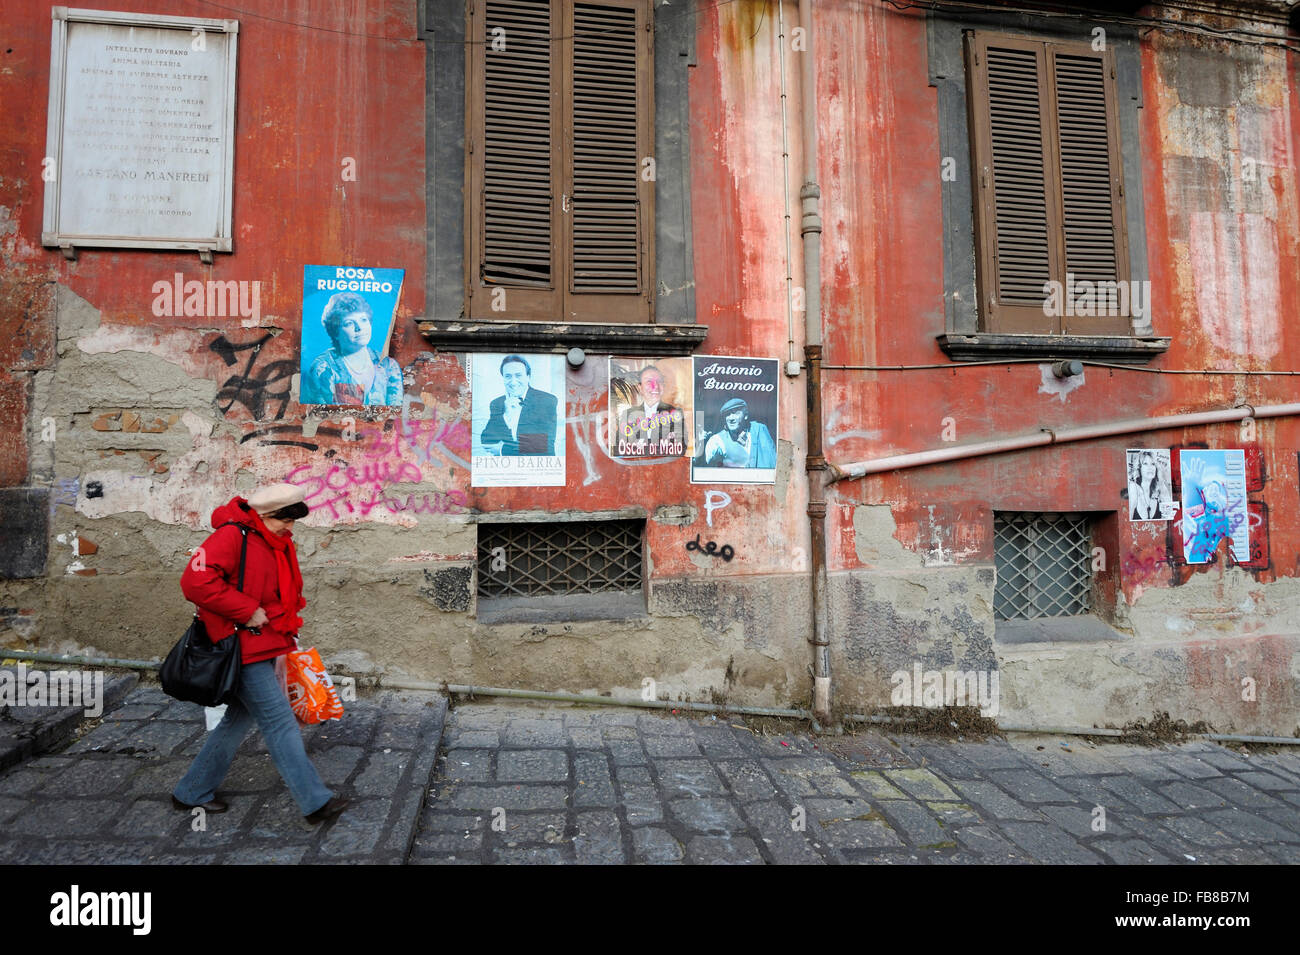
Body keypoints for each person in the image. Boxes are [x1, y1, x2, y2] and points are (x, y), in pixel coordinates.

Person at [173, 483, 349, 825]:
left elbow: (282, 593)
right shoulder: (231, 536)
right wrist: (245, 609)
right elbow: (194, 582)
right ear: (265, 515)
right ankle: (316, 803)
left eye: (293, 520)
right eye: (285, 519)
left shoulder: (276, 541)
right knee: (280, 722)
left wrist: (286, 632)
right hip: (240, 647)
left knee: (237, 721)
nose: (290, 527)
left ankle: (191, 791)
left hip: (266, 642)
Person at [301, 291, 402, 406]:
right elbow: (322, 415)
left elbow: (395, 413)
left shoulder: (388, 365)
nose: (359, 328)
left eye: (363, 320)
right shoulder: (324, 367)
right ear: (335, 332)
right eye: (349, 323)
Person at [479, 354, 559, 455]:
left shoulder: (547, 400)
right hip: (505, 468)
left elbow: (543, 445)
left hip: (537, 467)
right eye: (508, 376)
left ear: (528, 377)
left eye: (518, 375)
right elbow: (486, 441)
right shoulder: (497, 403)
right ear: (503, 378)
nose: (513, 382)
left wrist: (502, 449)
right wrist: (506, 415)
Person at [617, 365, 685, 456]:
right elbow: (620, 447)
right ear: (640, 388)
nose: (655, 386)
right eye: (649, 381)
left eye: (659, 382)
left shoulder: (675, 413)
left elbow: (681, 447)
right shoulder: (628, 414)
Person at [702, 397, 776, 468]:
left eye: (736, 413)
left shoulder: (759, 430)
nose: (731, 418)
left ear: (745, 415)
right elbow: (707, 468)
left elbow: (772, 459)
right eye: (727, 414)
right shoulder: (717, 441)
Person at [1128, 450, 1166, 520]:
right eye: (1145, 464)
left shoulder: (1159, 489)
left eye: (1153, 464)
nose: (1150, 467)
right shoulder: (1133, 488)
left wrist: (1161, 482)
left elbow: (1170, 516)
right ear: (1139, 468)